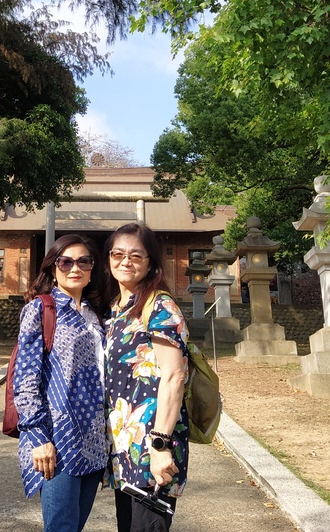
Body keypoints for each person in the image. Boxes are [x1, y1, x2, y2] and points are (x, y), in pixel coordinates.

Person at [13, 234, 109, 532]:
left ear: (92, 268)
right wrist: (37, 437)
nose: (75, 268)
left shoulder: (96, 315)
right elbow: (25, 378)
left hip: (94, 440)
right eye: (66, 262)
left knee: (74, 526)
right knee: (61, 527)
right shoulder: (41, 310)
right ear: (53, 268)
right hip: (58, 439)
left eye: (84, 261)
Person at [104, 222, 189, 532]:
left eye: (136, 255)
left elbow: (174, 377)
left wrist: (161, 445)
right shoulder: (116, 310)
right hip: (124, 448)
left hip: (153, 446)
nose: (125, 261)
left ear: (151, 262)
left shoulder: (160, 306)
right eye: (118, 254)